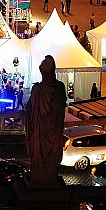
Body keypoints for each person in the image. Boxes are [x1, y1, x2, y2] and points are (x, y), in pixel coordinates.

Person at [25, 55, 66, 185]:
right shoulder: (60, 87)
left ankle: (39, 178)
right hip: (55, 132)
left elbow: (30, 110)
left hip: (39, 132)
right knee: (52, 161)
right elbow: (62, 109)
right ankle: (50, 178)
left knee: (38, 157)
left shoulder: (37, 89)